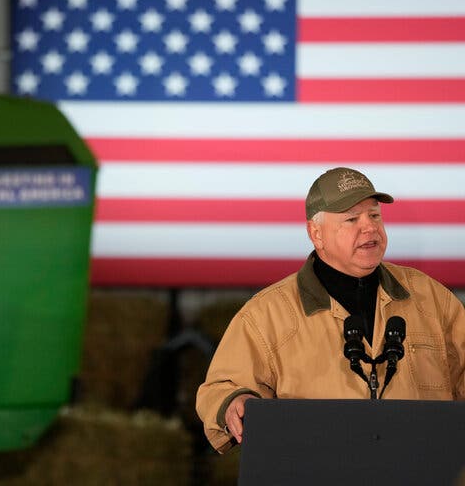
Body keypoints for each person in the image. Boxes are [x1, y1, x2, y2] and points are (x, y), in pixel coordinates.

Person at [196, 167, 465, 454]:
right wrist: (234, 402)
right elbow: (220, 389)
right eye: (352, 219)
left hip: (422, 466)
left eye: (374, 215)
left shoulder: (430, 297)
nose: (370, 228)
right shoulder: (268, 314)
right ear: (316, 233)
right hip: (315, 468)